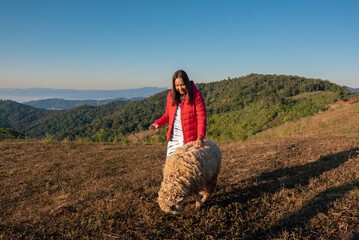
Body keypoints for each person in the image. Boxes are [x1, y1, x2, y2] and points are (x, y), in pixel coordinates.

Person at [149, 70, 206, 158]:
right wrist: (157, 123)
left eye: (182, 85)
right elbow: (168, 114)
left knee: (188, 168)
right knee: (171, 166)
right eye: (177, 86)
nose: (180, 88)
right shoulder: (171, 95)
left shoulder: (196, 96)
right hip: (174, 138)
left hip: (189, 139)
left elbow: (201, 117)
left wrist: (200, 136)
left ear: (187, 83)